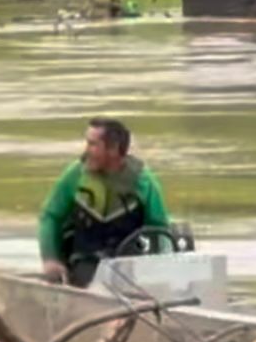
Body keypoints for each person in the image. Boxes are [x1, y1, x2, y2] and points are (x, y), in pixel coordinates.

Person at [38, 117, 170, 287]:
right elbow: (50, 216)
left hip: (129, 267)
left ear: (113, 149)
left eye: (93, 145)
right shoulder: (75, 175)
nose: (86, 151)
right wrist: (50, 260)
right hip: (84, 263)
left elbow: (159, 228)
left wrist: (161, 270)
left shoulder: (144, 182)